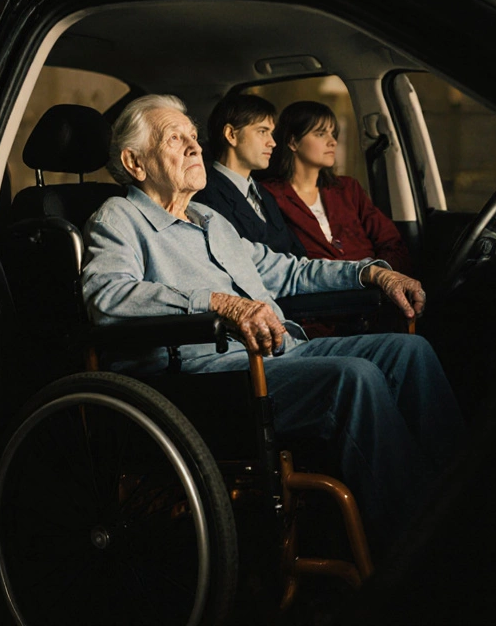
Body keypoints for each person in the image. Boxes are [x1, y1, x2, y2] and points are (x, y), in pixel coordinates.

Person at [81, 93, 464, 551]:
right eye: (174, 138)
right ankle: (419, 542)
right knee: (354, 377)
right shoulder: (118, 217)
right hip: (199, 377)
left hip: (279, 353)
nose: (194, 146)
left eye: (193, 137)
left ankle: (459, 501)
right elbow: (107, 297)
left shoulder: (210, 220)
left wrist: (371, 270)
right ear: (134, 162)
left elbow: (288, 270)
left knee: (409, 351)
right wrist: (219, 303)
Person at [261, 101, 412, 274]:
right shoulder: (269, 195)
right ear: (293, 142)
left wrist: (380, 274)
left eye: (333, 134)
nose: (332, 141)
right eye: (320, 134)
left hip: (374, 289)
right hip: (318, 290)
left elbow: (392, 242)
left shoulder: (348, 189)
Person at [192, 93, 305, 256]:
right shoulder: (206, 197)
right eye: (262, 131)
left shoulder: (264, 195)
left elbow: (296, 250)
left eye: (271, 133)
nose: (272, 143)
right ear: (231, 135)